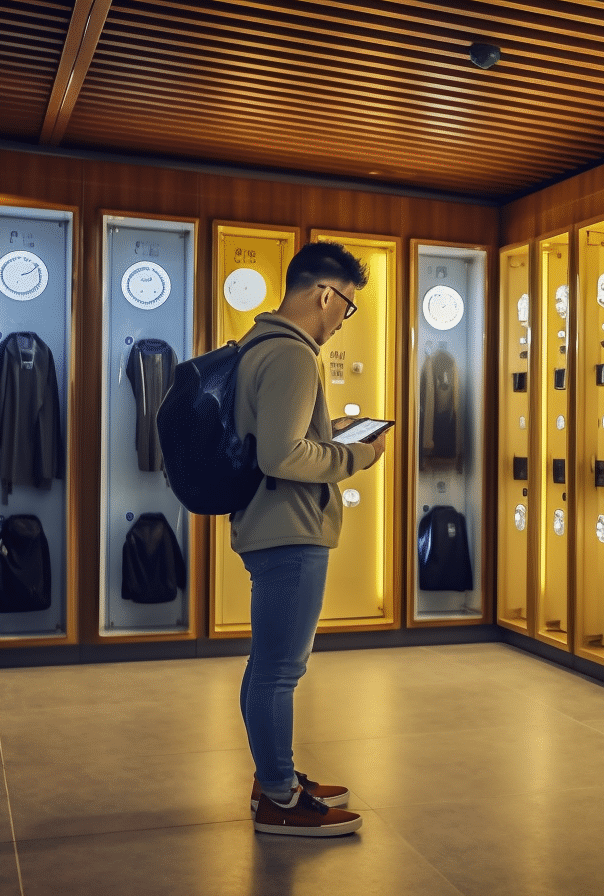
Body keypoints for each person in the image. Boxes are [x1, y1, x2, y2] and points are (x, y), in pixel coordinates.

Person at [232, 240, 386, 836]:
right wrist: (355, 455)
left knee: (268, 665)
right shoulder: (294, 354)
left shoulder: (258, 342)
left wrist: (329, 427)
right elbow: (280, 453)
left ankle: (276, 776)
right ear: (325, 293)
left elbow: (275, 435)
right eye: (345, 306)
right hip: (290, 530)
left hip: (267, 524)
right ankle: (279, 797)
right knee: (279, 670)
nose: (341, 319)